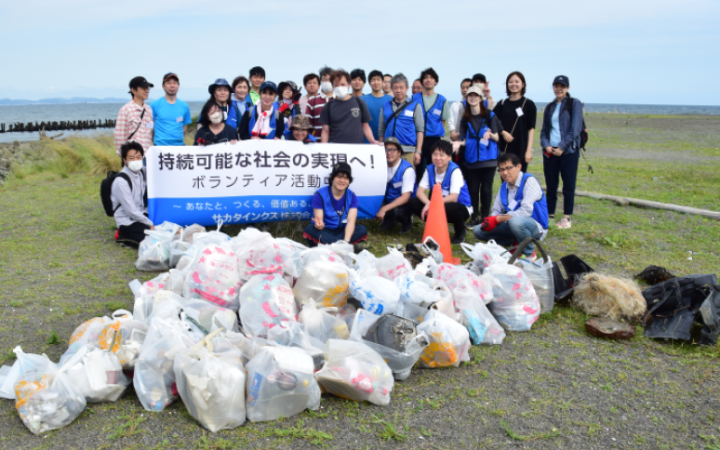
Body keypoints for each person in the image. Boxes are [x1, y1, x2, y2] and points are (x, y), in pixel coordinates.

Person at [473, 153, 548, 261]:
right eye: (501, 169)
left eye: (508, 168)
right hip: (513, 224)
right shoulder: (504, 187)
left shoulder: (529, 181)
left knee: (515, 222)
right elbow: (496, 210)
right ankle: (516, 243)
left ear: (518, 167)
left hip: (535, 226)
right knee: (478, 230)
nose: (505, 173)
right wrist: (491, 220)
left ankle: (529, 253)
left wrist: (498, 219)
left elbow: (525, 211)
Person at [451, 85, 501, 227]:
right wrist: (458, 144)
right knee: (473, 189)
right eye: (470, 96)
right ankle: (474, 217)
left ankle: (485, 217)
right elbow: (465, 140)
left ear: (480, 98)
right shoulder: (465, 119)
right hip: (472, 159)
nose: (473, 98)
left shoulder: (490, 115)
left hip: (489, 159)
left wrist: (489, 133)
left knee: (486, 189)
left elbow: (497, 138)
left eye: (476, 95)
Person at [404, 140, 472, 244]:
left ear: (449, 157)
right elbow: (419, 192)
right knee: (413, 202)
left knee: (450, 207)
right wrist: (428, 203)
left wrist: (431, 204)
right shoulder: (430, 169)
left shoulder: (455, 171)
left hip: (460, 207)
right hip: (437, 205)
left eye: (442, 155)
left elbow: (453, 197)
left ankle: (460, 231)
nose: (437, 158)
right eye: (435, 154)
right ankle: (429, 227)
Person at [540, 75, 584, 229]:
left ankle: (566, 217)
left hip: (568, 152)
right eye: (556, 86)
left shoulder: (574, 104)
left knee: (568, 185)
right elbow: (544, 130)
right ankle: (550, 214)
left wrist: (562, 147)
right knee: (551, 185)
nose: (559, 89)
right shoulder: (550, 107)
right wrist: (546, 145)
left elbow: (575, 129)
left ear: (568, 88)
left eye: (562, 86)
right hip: (550, 152)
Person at [304, 162, 368, 248]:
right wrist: (319, 225)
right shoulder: (319, 195)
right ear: (332, 178)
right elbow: (319, 221)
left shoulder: (352, 196)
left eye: (346, 178)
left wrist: (346, 241)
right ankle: (345, 248)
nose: (342, 180)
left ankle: (336, 246)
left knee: (362, 229)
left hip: (343, 230)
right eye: (339, 176)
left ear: (349, 181)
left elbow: (351, 221)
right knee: (310, 229)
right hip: (325, 230)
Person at [112, 142, 154, 248]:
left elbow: (157, 171)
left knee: (162, 228)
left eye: (138, 157)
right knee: (150, 238)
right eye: (131, 158)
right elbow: (131, 211)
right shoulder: (121, 182)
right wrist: (150, 224)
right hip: (127, 220)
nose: (136, 161)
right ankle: (122, 235)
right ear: (124, 160)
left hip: (141, 213)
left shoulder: (141, 172)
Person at [494, 71, 537, 173]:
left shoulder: (529, 104)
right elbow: (491, 120)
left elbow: (531, 129)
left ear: (523, 84)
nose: (514, 84)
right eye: (510, 82)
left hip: (521, 147)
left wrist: (529, 151)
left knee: (519, 178)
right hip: (504, 148)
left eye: (517, 81)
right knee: (505, 176)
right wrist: (502, 132)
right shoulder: (502, 103)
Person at [320, 69, 378, 144]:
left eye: (343, 84)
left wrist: (372, 141)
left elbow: (365, 126)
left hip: (356, 149)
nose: (340, 87)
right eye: (336, 85)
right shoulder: (328, 106)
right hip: (335, 150)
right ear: (333, 87)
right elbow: (325, 131)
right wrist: (323, 148)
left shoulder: (360, 103)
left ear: (349, 85)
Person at [413, 68, 450, 179]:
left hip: (434, 140)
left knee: (434, 172)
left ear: (436, 81)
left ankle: (433, 196)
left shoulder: (441, 99)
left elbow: (443, 121)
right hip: (417, 139)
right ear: (422, 81)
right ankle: (417, 196)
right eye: (425, 78)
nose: (428, 80)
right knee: (417, 172)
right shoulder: (414, 98)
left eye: (431, 78)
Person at [377, 73, 424, 157]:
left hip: (408, 150)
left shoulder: (415, 106)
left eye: (401, 87)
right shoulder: (385, 106)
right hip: (388, 151)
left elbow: (420, 130)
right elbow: (381, 130)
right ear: (392, 89)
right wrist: (381, 149)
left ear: (407, 88)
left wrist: (418, 151)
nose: (398, 90)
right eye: (395, 88)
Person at [376, 137, 415, 233]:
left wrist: (383, 208)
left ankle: (407, 221)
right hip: (388, 198)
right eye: (386, 149)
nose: (389, 153)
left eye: (393, 150)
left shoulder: (407, 170)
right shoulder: (380, 165)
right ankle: (389, 220)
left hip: (405, 203)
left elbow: (405, 197)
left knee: (398, 211)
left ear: (399, 152)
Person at [114, 76, 154, 157]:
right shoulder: (126, 110)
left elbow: (149, 132)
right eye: (143, 88)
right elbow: (119, 136)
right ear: (133, 90)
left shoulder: (149, 110)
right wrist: (125, 157)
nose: (147, 90)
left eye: (147, 88)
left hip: (147, 156)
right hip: (132, 157)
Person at [151, 73, 191, 146]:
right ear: (163, 86)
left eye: (175, 83)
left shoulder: (184, 106)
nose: (172, 85)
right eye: (168, 83)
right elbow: (149, 125)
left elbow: (184, 127)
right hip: (160, 146)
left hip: (179, 147)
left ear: (178, 86)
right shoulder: (154, 105)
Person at [361, 70, 392, 142]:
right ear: (369, 83)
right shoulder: (362, 100)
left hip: (387, 142)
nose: (376, 82)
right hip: (365, 142)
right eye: (373, 80)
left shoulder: (391, 100)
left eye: (378, 80)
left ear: (382, 82)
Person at [307, 68, 333, 138]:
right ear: (321, 81)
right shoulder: (312, 100)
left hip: (337, 144)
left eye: (329, 79)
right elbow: (308, 124)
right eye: (324, 79)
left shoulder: (339, 99)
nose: (327, 82)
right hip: (317, 143)